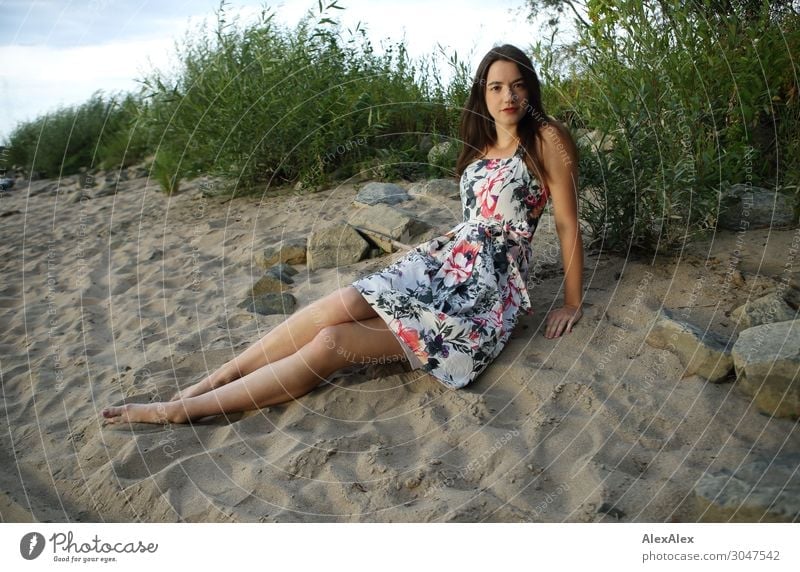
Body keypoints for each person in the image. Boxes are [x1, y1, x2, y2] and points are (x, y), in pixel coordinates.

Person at [101, 43, 583, 426]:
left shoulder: (546, 139)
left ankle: (181, 410)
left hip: (482, 290)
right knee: (332, 306)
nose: (509, 97)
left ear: (531, 90)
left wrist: (571, 301)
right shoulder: (481, 145)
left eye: (518, 86)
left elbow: (565, 223)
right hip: (443, 262)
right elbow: (473, 219)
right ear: (483, 93)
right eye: (497, 87)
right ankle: (215, 378)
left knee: (333, 342)